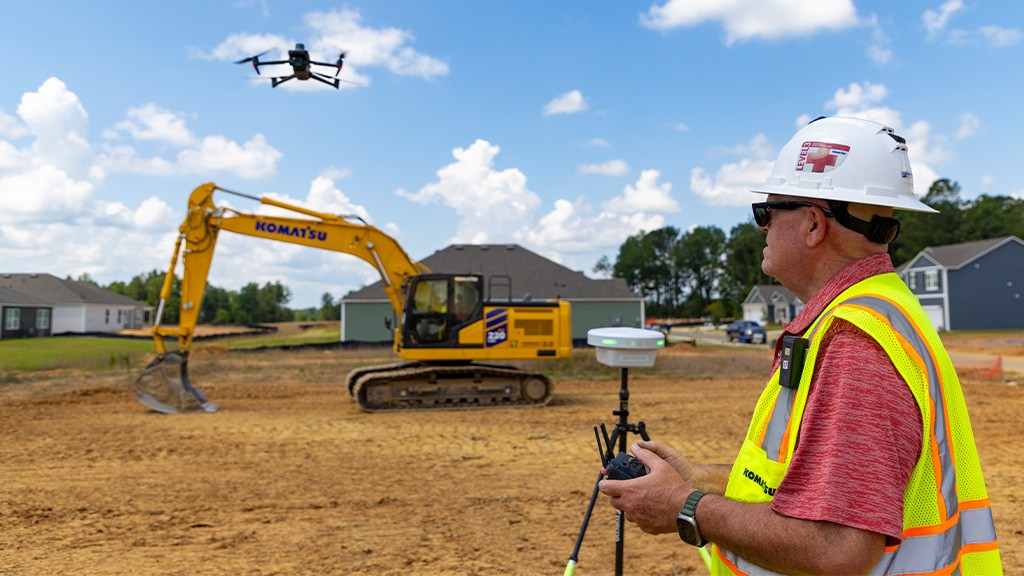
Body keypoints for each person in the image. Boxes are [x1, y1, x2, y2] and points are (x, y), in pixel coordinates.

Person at [598, 116, 1002, 575]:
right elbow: (803, 488)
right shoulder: (873, 313)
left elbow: (839, 548)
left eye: (766, 213)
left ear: (813, 224)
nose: (762, 229)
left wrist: (684, 506)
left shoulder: (854, 341)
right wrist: (699, 478)